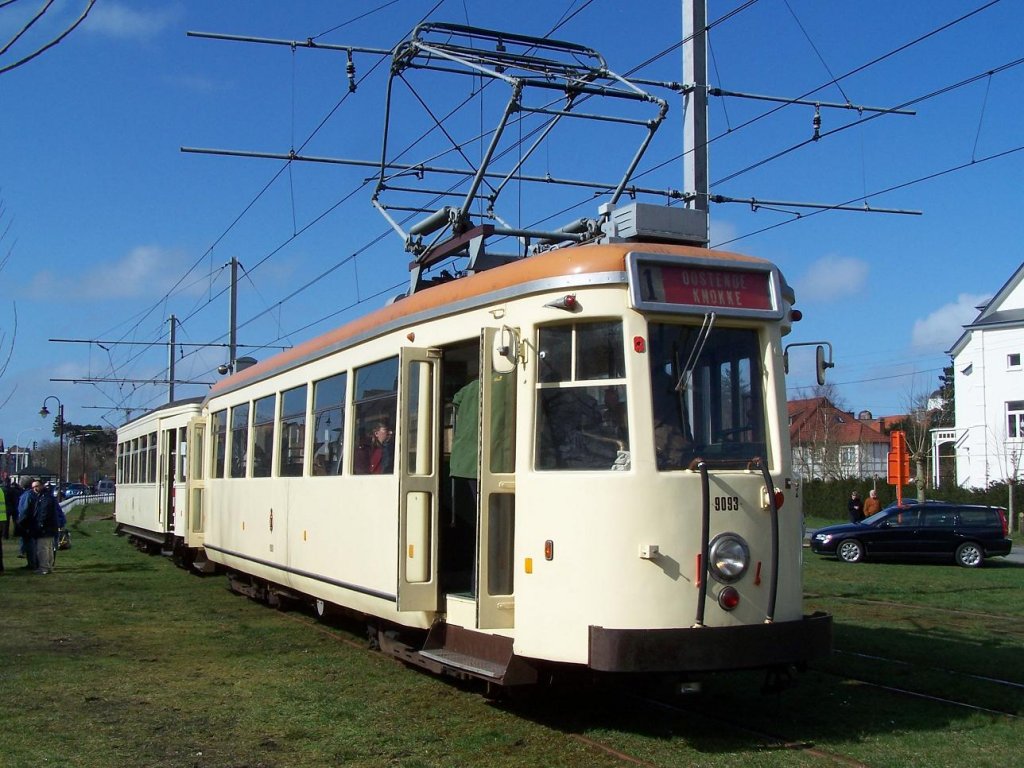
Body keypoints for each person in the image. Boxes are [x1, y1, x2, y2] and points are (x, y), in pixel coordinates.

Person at [32, 482, 60, 575]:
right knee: (49, 548)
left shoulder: (45, 498)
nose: (34, 489)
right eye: (33, 487)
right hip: (51, 527)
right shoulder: (47, 496)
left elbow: (44, 512)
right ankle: (49, 566)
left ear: (41, 486)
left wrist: (40, 524)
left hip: (46, 528)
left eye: (36, 486)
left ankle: (44, 568)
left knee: (42, 548)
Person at [17, 478, 38, 571]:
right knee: (31, 544)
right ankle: (33, 563)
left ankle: (32, 564)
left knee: (30, 544)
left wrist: (21, 521)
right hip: (31, 522)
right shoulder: (32, 494)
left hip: (27, 523)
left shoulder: (27, 495)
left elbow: (25, 510)